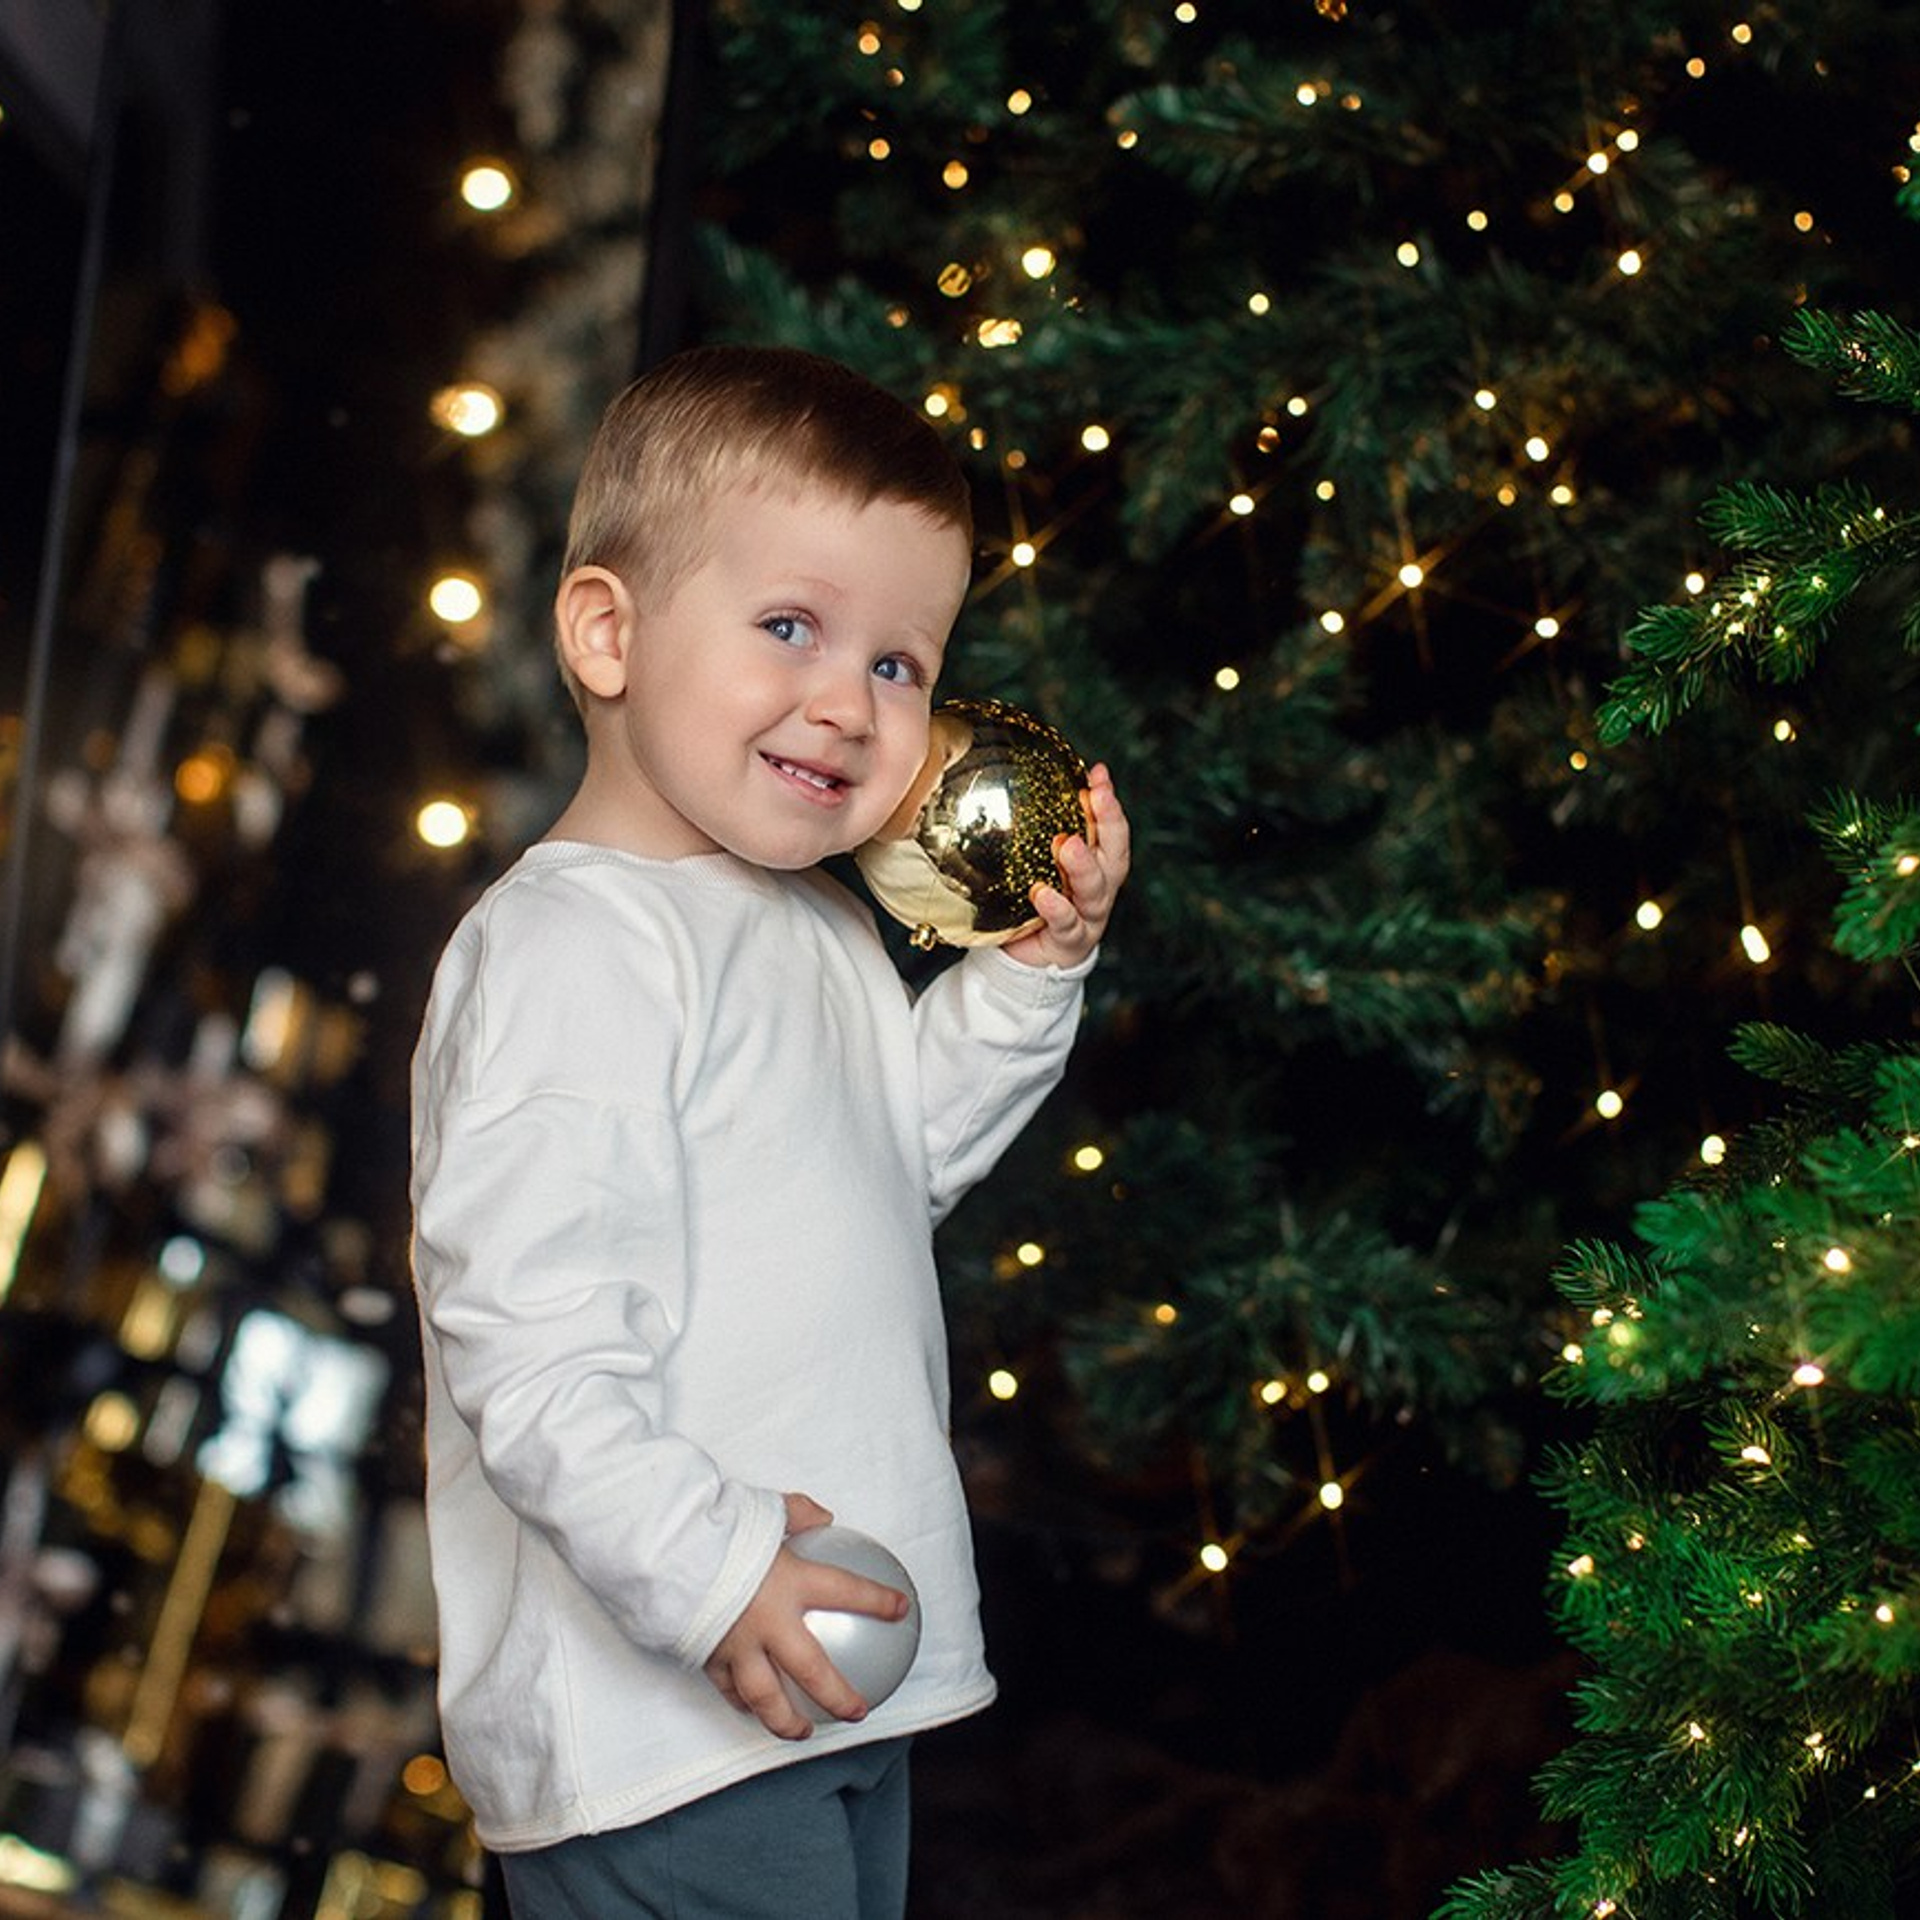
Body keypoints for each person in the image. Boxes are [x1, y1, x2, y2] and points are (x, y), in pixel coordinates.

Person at [408, 343, 1131, 1919]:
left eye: (902, 665)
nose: (849, 704)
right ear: (607, 632)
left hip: (843, 1672)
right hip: (665, 1726)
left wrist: (1032, 973)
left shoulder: (814, 926)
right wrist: (716, 1567)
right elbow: (523, 1345)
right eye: (791, 627)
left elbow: (886, 1169)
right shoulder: (572, 948)